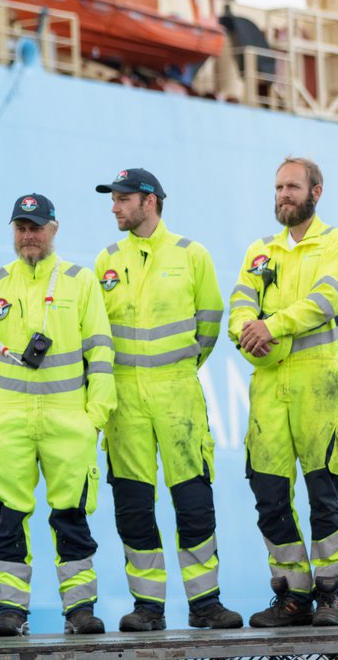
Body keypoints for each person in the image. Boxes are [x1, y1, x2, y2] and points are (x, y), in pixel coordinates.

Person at [92, 171, 243, 632]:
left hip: (178, 394)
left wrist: (177, 368)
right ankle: (147, 608)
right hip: (124, 401)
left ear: (150, 201)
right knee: (134, 506)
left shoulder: (191, 255)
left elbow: (208, 324)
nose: (114, 207)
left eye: (123, 199)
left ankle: (206, 604)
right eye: (113, 199)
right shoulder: (106, 260)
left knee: (194, 502)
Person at [0, 194, 115, 637]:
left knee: (72, 519)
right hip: (6, 425)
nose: (28, 236)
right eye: (21, 228)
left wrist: (94, 417)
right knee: (8, 520)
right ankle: (12, 613)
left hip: (68, 424)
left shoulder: (80, 281)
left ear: (54, 229)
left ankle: (80, 611)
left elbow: (100, 352)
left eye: (36, 227)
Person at [229, 157, 338, 628]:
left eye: (293, 187)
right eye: (279, 187)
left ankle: (331, 595)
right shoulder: (259, 251)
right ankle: (293, 596)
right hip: (268, 386)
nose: (283, 195)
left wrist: (272, 326)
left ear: (315, 192)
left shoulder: (336, 242)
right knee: (269, 495)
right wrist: (248, 332)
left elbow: (327, 300)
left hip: (318, 382)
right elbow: (239, 306)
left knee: (323, 492)